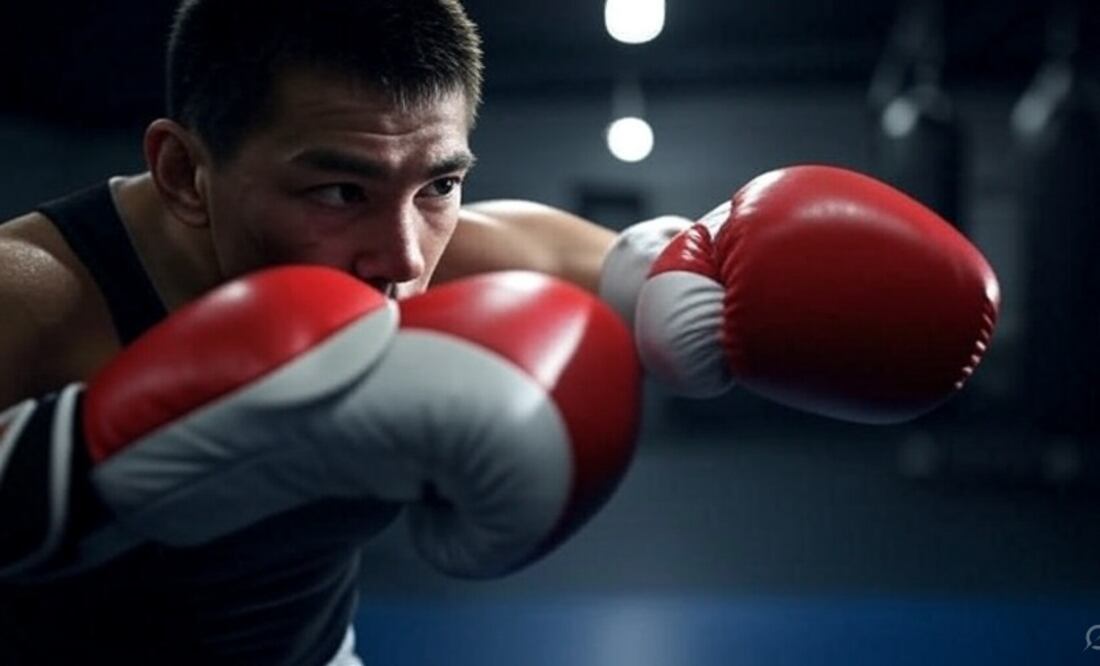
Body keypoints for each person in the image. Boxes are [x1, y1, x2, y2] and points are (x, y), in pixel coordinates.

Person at [0, 0, 1000, 663]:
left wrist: (689, 281)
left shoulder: (467, 252)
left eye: (438, 183)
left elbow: (651, 267)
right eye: (337, 187)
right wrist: (79, 466)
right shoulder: (33, 297)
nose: (401, 255)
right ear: (182, 172)